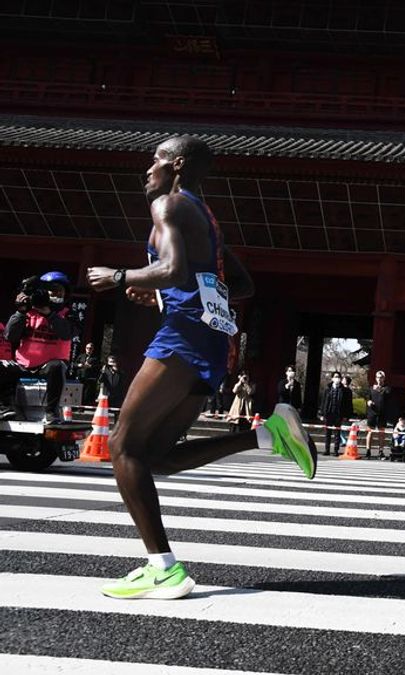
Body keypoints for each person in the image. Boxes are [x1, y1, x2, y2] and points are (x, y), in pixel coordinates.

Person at [84, 135, 316, 600]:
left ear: (177, 165)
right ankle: (267, 433)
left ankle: (163, 569)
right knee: (158, 457)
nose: (147, 168)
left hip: (184, 336)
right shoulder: (206, 219)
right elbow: (240, 283)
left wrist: (120, 277)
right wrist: (166, 293)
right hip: (212, 342)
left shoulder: (168, 206)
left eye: (155, 159)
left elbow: (170, 267)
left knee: (122, 446)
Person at [3, 271, 75, 422]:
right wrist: (20, 312)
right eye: (51, 290)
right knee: (2, 366)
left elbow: (67, 333)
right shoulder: (29, 312)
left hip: (49, 366)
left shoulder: (67, 313)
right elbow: (9, 335)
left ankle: (51, 412)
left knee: (57, 367)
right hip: (23, 364)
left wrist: (49, 314)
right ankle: (6, 407)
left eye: (59, 291)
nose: (55, 294)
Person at [319, 371, 351, 456]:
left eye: (338, 377)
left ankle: (336, 450)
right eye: (335, 377)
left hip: (338, 413)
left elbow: (347, 404)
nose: (337, 378)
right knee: (328, 432)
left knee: (337, 433)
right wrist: (322, 413)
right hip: (329, 413)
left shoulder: (344, 390)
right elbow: (324, 402)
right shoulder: (328, 389)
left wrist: (346, 415)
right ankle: (327, 450)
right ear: (332, 378)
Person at [366, 370, 395, 457]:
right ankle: (368, 450)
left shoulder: (387, 388)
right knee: (370, 432)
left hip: (382, 413)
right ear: (375, 378)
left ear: (384, 378)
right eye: (378, 377)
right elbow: (368, 399)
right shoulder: (371, 388)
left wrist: (379, 388)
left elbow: (388, 395)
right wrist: (369, 402)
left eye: (381, 377)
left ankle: (381, 451)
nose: (379, 379)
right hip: (372, 413)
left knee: (381, 433)